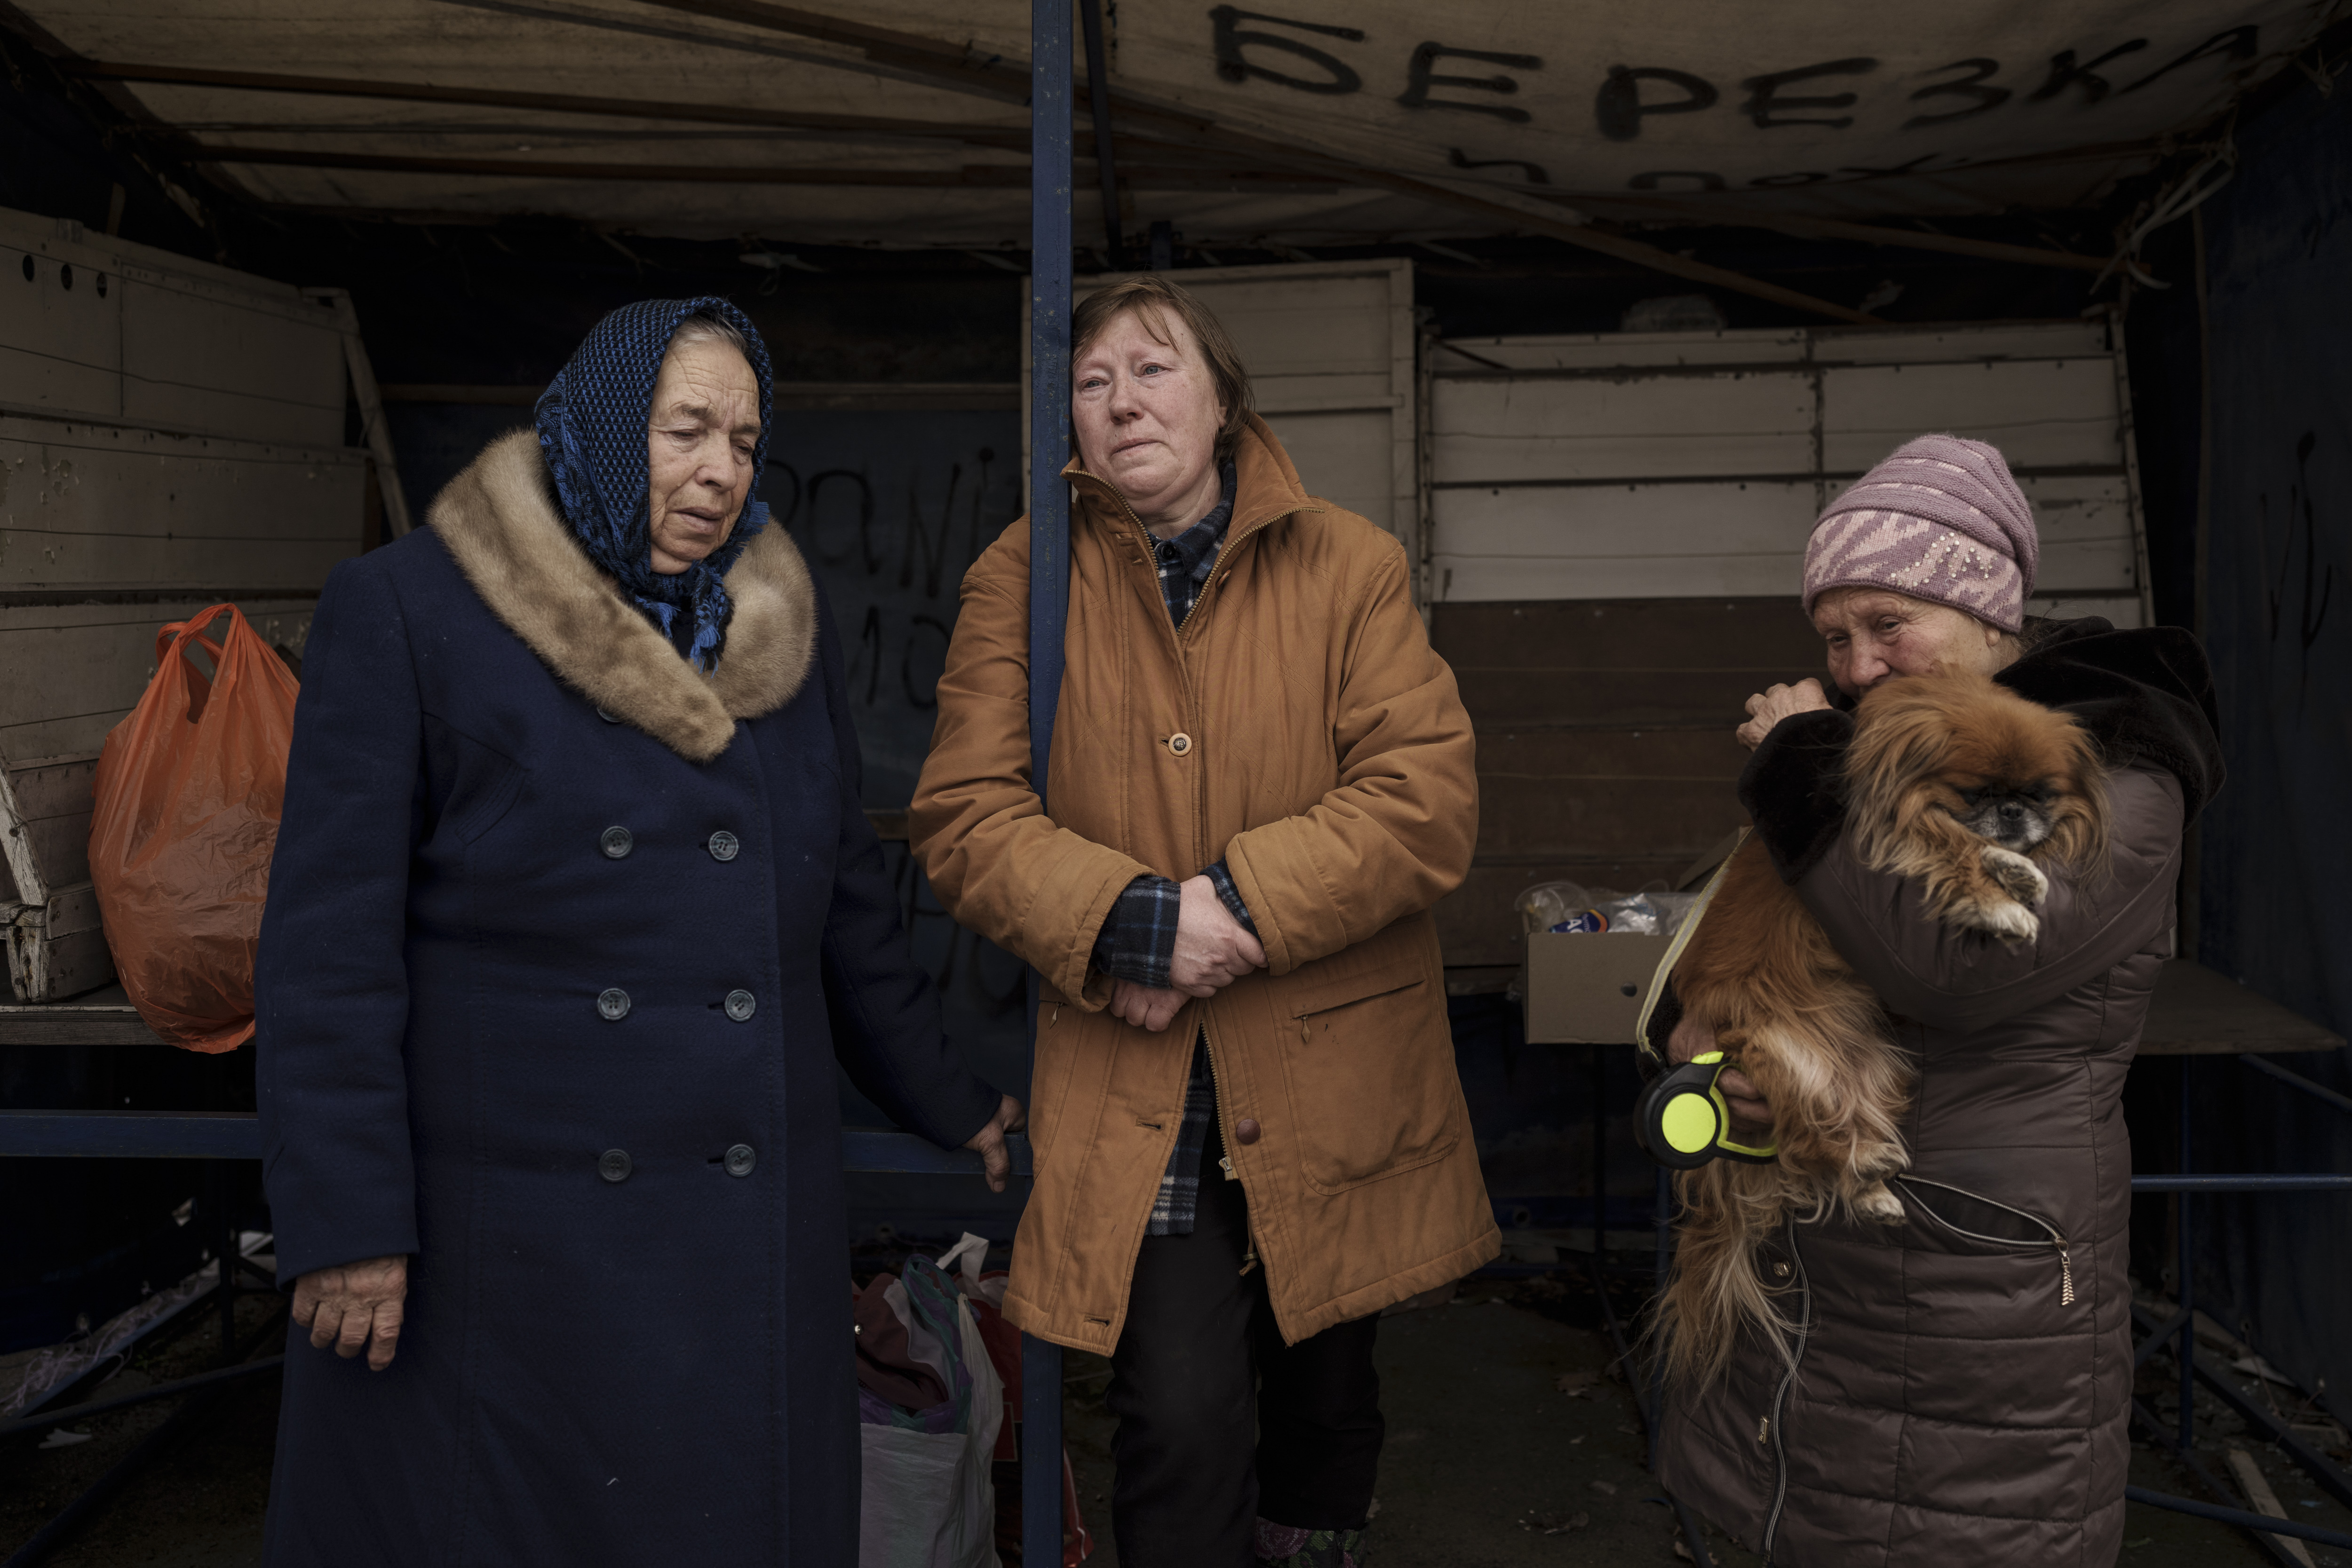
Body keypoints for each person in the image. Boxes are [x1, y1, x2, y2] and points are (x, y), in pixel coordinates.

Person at [254, 296, 1022, 1565]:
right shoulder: (408, 611)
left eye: (743, 438)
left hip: (733, 1237)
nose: (721, 468)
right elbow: (330, 950)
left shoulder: (781, 625)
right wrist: (345, 1220)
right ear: (606, 426)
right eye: (686, 429)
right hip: (505, 1242)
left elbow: (847, 903)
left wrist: (951, 1096)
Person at [909, 275, 1497, 1568]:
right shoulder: (1024, 575)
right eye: (1093, 379)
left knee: (1327, 1384)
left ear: (1223, 398)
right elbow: (962, 812)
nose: (1123, 401)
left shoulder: (1349, 564)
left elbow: (1425, 797)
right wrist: (1130, 921)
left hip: (1328, 1048)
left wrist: (1220, 909)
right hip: (1140, 1066)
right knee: (1177, 1406)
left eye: (1154, 369)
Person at [1651, 435, 2225, 1565]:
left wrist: (1798, 760)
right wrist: (1706, 1040)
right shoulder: (1893, 745)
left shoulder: (2115, 768)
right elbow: (1767, 916)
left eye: (1888, 623)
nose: (1859, 665)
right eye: (1834, 635)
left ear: (1988, 617)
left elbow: (1955, 968)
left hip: (1968, 1285)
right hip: (1825, 1246)